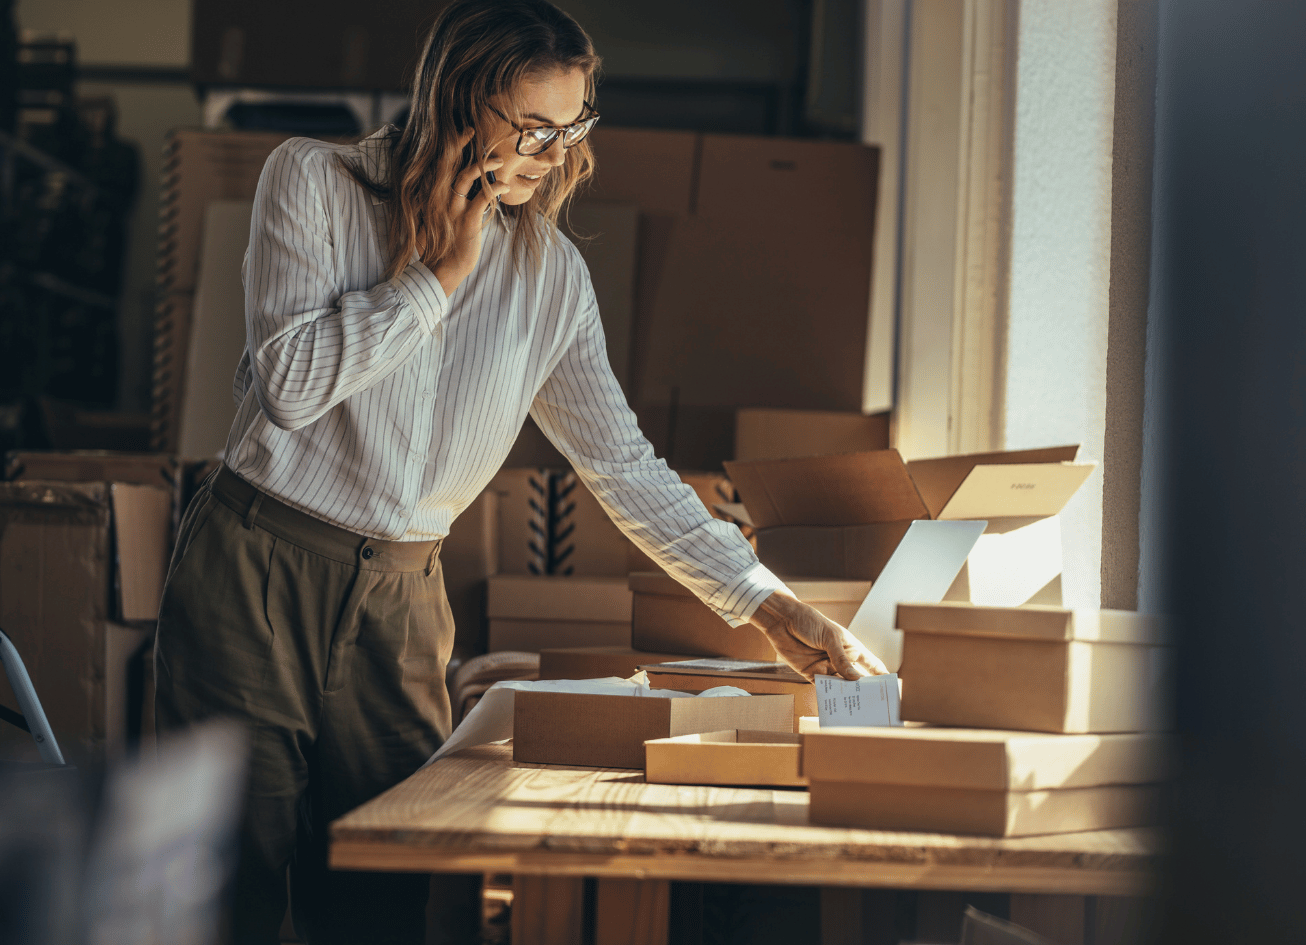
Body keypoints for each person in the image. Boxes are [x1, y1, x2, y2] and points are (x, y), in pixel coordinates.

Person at [153, 1, 889, 941]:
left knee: (379, 895)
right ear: (457, 101)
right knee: (224, 885)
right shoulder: (313, 180)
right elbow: (289, 385)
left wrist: (771, 605)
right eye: (531, 126)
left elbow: (622, 465)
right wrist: (436, 279)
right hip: (253, 567)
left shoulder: (551, 279)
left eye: (572, 124)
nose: (552, 152)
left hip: (403, 603)